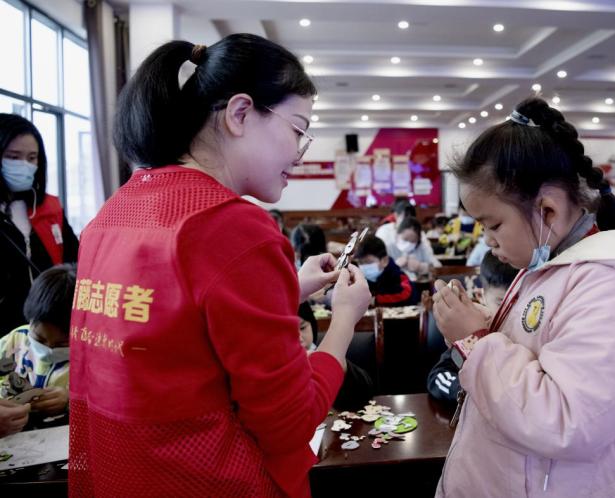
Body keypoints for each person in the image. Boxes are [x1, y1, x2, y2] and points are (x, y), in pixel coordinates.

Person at [69, 34, 372, 497]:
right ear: (240, 113)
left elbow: (172, 331)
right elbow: (291, 422)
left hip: (121, 476)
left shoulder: (113, 213)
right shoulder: (233, 226)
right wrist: (345, 319)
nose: (300, 153)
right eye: (298, 130)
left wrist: (288, 288)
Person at [431, 96, 615, 497]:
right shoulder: (546, 266)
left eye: (494, 225)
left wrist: (475, 341)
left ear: (547, 210)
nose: (488, 240)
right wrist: (484, 326)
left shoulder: (611, 290)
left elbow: (568, 422)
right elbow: (538, 356)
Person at [0, 113, 79, 334]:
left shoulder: (49, 208)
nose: (24, 165)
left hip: (48, 330)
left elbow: (74, 259)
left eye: (32, 157)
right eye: (13, 157)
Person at [427, 252, 516, 403]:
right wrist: (468, 391)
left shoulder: (531, 333)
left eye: (518, 302)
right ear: (480, 296)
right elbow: (439, 375)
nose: (511, 311)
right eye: (501, 302)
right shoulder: (474, 331)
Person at [0, 264, 75, 416]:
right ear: (30, 321)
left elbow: (107, 400)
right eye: (39, 339)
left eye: (62, 344)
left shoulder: (92, 357)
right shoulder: (16, 340)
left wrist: (70, 400)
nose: (48, 349)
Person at [297, 302, 374, 410]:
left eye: (302, 328)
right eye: (287, 331)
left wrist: (343, 367)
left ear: (312, 326)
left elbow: (365, 395)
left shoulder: (324, 353)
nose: (299, 338)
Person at [354, 235, 417, 307]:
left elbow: (407, 293)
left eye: (368, 262)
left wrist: (375, 300)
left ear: (384, 261)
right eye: (360, 263)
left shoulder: (396, 275)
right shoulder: (359, 278)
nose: (364, 267)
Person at [387, 217, 441, 281]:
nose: (408, 244)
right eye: (405, 239)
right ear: (397, 235)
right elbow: (382, 272)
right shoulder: (389, 248)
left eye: (412, 241)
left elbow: (438, 267)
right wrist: (395, 266)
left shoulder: (422, 247)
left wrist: (420, 267)